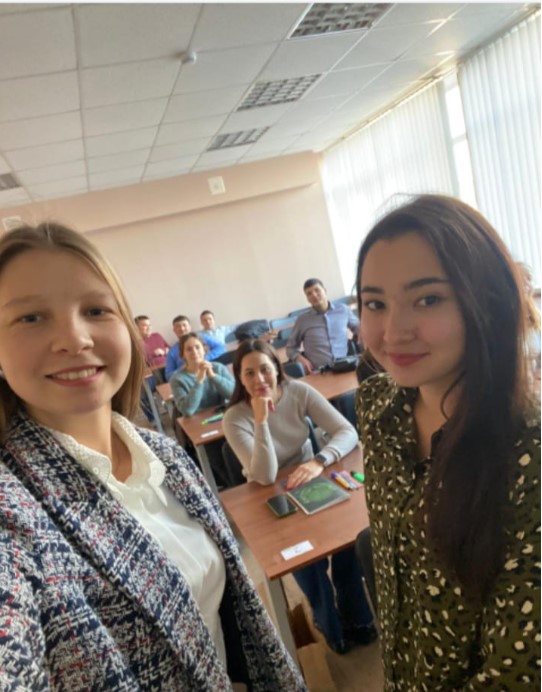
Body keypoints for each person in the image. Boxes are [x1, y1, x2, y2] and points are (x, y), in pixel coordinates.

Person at [0, 222, 305, 690]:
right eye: (31, 318)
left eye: (96, 310)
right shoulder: (13, 510)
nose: (74, 339)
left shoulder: (164, 455)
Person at [355, 194, 540, 689]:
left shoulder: (530, 450)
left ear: (487, 300)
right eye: (375, 303)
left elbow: (517, 673)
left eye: (428, 299)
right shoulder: (377, 405)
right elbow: (393, 567)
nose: (393, 332)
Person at [223, 339, 375, 654]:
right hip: (268, 495)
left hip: (311, 479)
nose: (259, 379)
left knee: (349, 543)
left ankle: (357, 614)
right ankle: (330, 624)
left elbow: (347, 431)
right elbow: (265, 475)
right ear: (239, 378)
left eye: (265, 369)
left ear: (277, 369)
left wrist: (319, 460)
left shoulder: (298, 391)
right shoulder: (235, 417)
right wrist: (261, 420)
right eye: (249, 373)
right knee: (308, 566)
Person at [286, 278, 359, 374]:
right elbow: (290, 348)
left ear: (325, 290)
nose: (314, 295)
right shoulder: (302, 320)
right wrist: (299, 358)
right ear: (307, 299)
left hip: (345, 367)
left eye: (317, 290)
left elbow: (359, 329)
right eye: (309, 294)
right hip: (319, 372)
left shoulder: (343, 310)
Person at [170, 332, 234, 418]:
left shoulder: (218, 368)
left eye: (197, 347)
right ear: (183, 355)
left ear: (204, 350)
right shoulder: (177, 379)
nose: (194, 352)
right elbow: (187, 410)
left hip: (222, 416)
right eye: (189, 349)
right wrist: (199, 381)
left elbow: (235, 395)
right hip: (196, 422)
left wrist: (213, 376)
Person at [165, 314, 224, 380]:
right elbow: (168, 376)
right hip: (187, 380)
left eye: (184, 325)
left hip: (209, 372)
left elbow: (221, 347)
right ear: (174, 330)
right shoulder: (172, 352)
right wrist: (186, 367)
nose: (182, 329)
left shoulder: (201, 337)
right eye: (178, 326)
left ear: (190, 327)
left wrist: (203, 358)